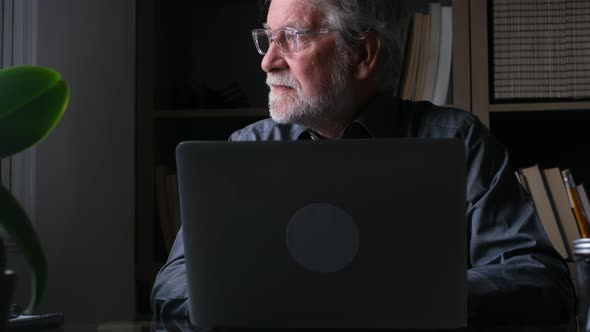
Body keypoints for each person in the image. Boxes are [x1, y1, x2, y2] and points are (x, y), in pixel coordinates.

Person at [152, 0, 575, 325]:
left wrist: (412, 297)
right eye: (267, 38)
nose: (268, 61)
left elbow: (539, 278)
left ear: (363, 55)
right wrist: (264, 300)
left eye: (293, 37)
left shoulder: (456, 140)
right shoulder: (243, 151)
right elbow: (172, 285)